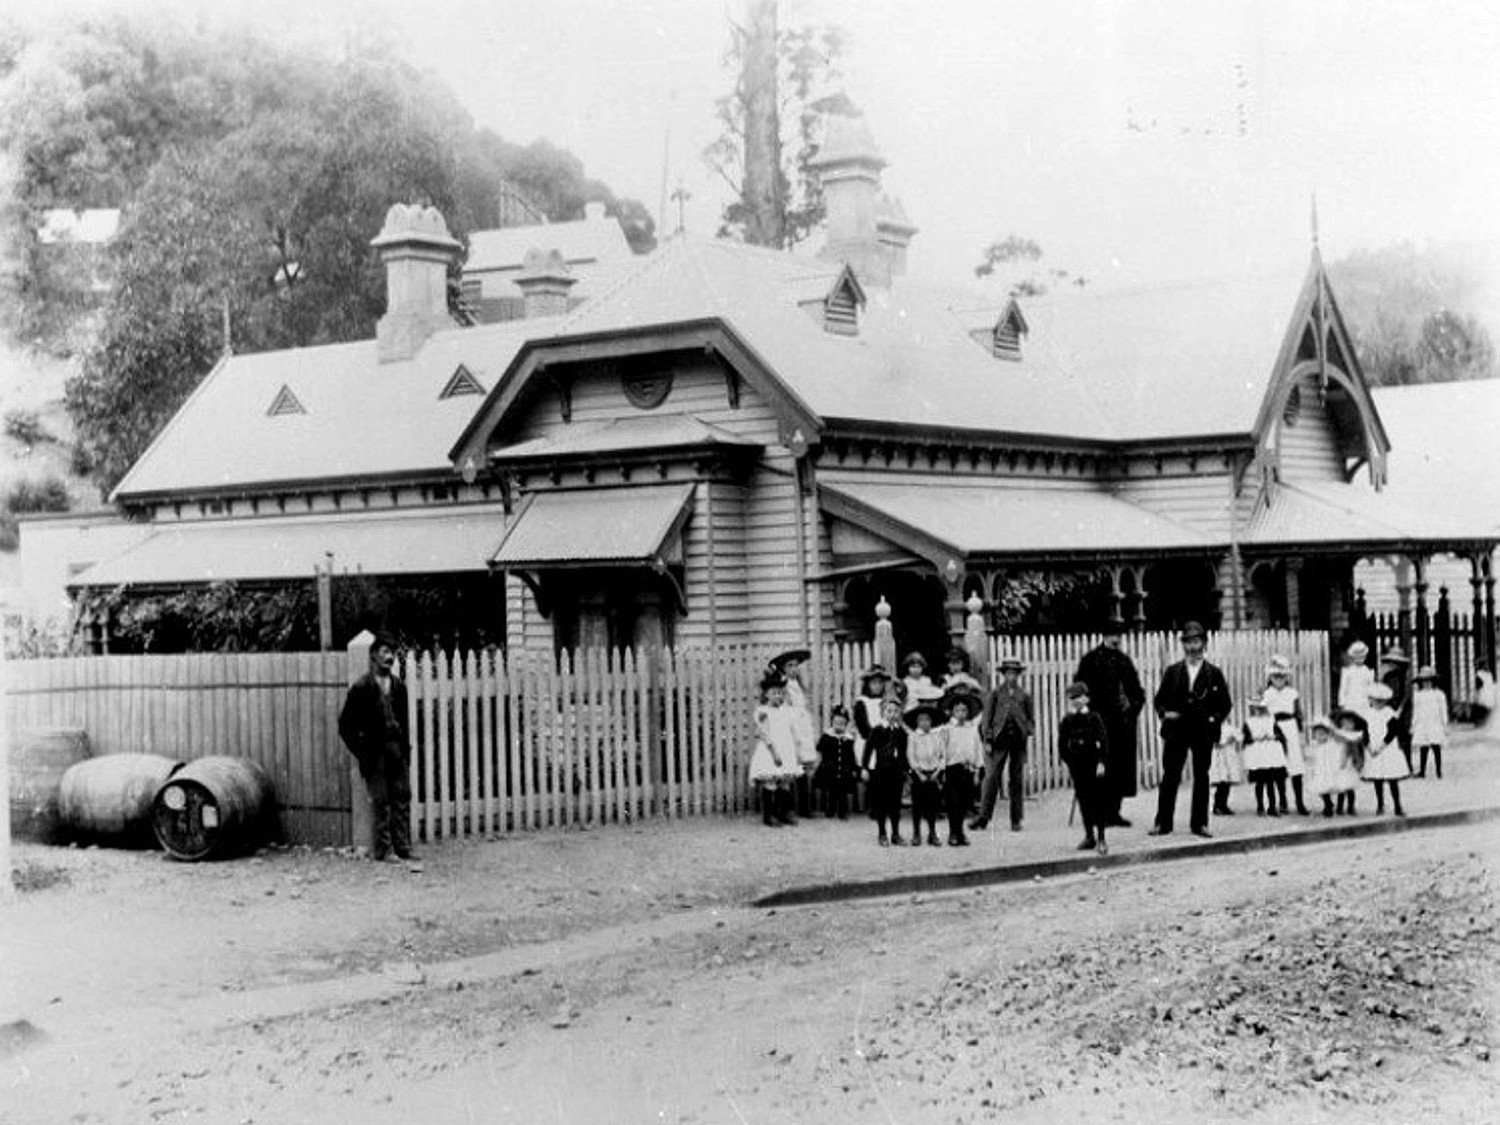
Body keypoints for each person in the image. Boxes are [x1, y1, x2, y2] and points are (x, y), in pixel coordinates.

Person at [338, 631, 417, 863]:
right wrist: (363, 751)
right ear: (373, 656)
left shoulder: (399, 687)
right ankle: (384, 850)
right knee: (381, 800)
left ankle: (402, 847)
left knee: (402, 796)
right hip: (375, 753)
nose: (389, 657)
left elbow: (404, 721)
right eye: (384, 652)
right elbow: (345, 726)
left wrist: (405, 751)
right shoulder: (361, 688)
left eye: (392, 653)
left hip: (397, 750)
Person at [1150, 621, 1232, 838]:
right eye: (1188, 642)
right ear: (1183, 645)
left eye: (1196, 641)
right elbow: (1159, 700)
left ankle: (1200, 824)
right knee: (1170, 776)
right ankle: (1163, 823)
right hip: (1176, 732)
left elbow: (1225, 704)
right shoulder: (1173, 672)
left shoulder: (1214, 673)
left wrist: (1213, 720)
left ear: (1204, 644)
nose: (1192, 647)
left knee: (1202, 776)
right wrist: (1165, 713)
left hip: (1202, 732)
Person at [1073, 617, 1146, 827]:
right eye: (1111, 635)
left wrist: (1131, 705)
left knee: (1120, 769)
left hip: (1122, 725)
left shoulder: (1125, 661)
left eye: (1118, 636)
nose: (1115, 639)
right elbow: (1079, 691)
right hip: (1098, 724)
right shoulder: (1090, 661)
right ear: (1103, 636)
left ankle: (1114, 812)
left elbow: (1138, 692)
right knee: (1099, 767)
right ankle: (1097, 813)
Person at [974, 653, 1033, 832]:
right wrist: (988, 739)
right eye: (1008, 673)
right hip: (999, 741)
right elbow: (987, 719)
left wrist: (1027, 729)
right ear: (1003, 674)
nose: (1012, 676)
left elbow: (1031, 719)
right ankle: (983, 817)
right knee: (991, 778)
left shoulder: (1024, 695)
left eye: (1015, 673)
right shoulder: (996, 694)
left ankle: (1016, 820)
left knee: (1016, 780)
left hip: (1017, 742)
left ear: (1018, 675)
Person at [1057, 681, 1110, 855]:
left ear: (1086, 698)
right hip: (1077, 767)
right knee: (1084, 802)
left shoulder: (1094, 717)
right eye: (1073, 698)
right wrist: (1070, 763)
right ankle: (1089, 836)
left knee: (1098, 802)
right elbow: (1062, 746)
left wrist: (1101, 762)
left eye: (1079, 697)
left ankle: (1102, 838)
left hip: (1094, 765)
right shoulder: (1067, 720)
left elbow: (1103, 741)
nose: (1076, 701)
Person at [747, 671, 805, 827]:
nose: (777, 696)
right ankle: (769, 815)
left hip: (787, 748)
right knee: (771, 781)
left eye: (780, 693)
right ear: (766, 694)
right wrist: (774, 753)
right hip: (770, 750)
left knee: (785, 781)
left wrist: (798, 750)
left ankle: (785, 812)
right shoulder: (762, 712)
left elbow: (794, 731)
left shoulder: (788, 711)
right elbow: (764, 734)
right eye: (774, 693)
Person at [768, 648, 819, 814]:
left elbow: (803, 708)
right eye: (789, 666)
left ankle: (805, 806)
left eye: (796, 665)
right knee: (790, 766)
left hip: (802, 726)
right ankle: (786, 808)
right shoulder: (783, 685)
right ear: (783, 668)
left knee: (804, 766)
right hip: (790, 726)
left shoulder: (799, 685)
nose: (793, 669)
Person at [1262, 655, 1309, 815]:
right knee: (1278, 768)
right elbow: (1261, 714)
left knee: (1296, 767)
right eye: (1275, 676)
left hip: (1291, 728)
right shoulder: (1266, 694)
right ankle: (1282, 801)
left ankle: (1300, 802)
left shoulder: (1292, 693)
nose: (1279, 679)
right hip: (1274, 728)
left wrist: (1301, 735)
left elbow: (1299, 714)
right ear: (1270, 677)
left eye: (1282, 676)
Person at [862, 696, 909, 846]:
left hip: (896, 772)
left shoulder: (901, 732)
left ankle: (895, 833)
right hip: (881, 771)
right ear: (883, 712)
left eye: (895, 711)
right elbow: (868, 750)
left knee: (895, 804)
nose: (892, 714)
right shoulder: (877, 730)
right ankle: (882, 833)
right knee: (881, 803)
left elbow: (904, 753)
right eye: (889, 711)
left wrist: (906, 771)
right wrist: (865, 768)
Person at [941, 691, 984, 847]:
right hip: (952, 769)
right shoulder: (946, 729)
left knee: (964, 803)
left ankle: (960, 833)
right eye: (957, 710)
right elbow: (942, 750)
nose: (961, 713)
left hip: (968, 769)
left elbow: (977, 749)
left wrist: (978, 770)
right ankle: (953, 832)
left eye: (964, 710)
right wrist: (942, 770)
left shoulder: (972, 729)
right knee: (953, 802)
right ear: (952, 711)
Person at [1362, 682, 1408, 816]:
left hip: (1387, 749)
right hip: (1373, 748)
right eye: (1372, 700)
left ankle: (1397, 805)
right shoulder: (1367, 714)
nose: (1375, 703)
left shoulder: (1389, 714)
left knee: (1392, 778)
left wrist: (1381, 746)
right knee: (1377, 778)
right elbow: (1364, 732)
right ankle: (1380, 804)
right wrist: (1369, 747)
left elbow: (1392, 733)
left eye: (1379, 701)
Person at [905, 702, 946, 846]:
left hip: (933, 773)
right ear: (917, 722)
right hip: (919, 774)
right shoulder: (913, 737)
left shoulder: (936, 736)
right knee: (917, 805)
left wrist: (938, 771)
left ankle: (932, 833)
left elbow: (942, 755)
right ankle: (916, 833)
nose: (924, 723)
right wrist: (918, 773)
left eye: (927, 719)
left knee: (932, 805)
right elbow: (911, 756)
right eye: (921, 720)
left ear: (931, 721)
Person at [1240, 696, 1287, 817]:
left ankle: (1272, 806)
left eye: (1261, 709)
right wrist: (1254, 738)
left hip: (1270, 752)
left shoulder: (1271, 720)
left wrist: (1273, 736)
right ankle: (1260, 806)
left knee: (1271, 781)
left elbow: (1280, 735)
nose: (1258, 711)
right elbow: (1245, 739)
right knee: (1260, 782)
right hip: (1257, 753)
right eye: (1256, 709)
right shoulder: (1249, 722)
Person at [814, 704, 859, 818]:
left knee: (842, 792)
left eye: (842, 724)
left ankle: (842, 812)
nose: (839, 726)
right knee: (831, 791)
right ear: (832, 723)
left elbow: (851, 755)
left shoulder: (848, 739)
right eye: (836, 723)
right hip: (830, 768)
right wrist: (818, 764)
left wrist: (853, 768)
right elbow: (820, 750)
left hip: (844, 769)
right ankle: (830, 810)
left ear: (846, 724)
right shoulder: (827, 736)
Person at [1379, 647, 1415, 773]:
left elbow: (1407, 694)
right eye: (1391, 662)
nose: (1392, 664)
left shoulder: (1405, 676)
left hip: (1403, 710)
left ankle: (1408, 765)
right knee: (1389, 736)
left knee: (1404, 737)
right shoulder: (1387, 677)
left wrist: (1400, 709)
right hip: (1390, 708)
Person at [1410, 665, 1448, 779]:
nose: (1426, 683)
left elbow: (1443, 709)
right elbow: (1416, 711)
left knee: (1436, 746)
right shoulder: (1418, 695)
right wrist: (1414, 724)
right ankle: (1422, 771)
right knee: (1424, 747)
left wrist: (1444, 723)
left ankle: (1438, 770)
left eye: (1429, 681)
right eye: (1424, 681)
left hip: (1434, 722)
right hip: (1423, 722)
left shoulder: (1438, 694)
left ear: (1433, 681)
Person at [1305, 715, 1344, 817]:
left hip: (1330, 770)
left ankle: (1330, 807)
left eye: (1322, 734)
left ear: (1328, 734)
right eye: (1316, 734)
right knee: (1320, 789)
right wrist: (1312, 769)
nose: (1319, 737)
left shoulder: (1331, 745)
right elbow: (1312, 758)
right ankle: (1328, 803)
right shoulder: (1314, 745)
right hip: (1320, 771)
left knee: (1329, 788)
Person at [1332, 709, 1368, 816]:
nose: (1347, 725)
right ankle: (1339, 807)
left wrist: (1359, 762)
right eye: (1345, 723)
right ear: (1341, 724)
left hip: (1351, 764)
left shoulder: (1356, 736)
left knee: (1350, 787)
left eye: (1350, 723)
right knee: (1341, 787)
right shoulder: (1339, 734)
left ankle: (1351, 807)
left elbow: (1359, 750)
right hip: (1340, 762)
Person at [1209, 723, 1245, 816]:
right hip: (1217, 754)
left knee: (1227, 781)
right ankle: (1217, 806)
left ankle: (1224, 805)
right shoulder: (1211, 727)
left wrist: (1230, 740)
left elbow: (1239, 736)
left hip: (1228, 754)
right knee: (1221, 781)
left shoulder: (1229, 727)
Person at [1337, 639, 1374, 716]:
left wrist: (1371, 702)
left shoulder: (1368, 672)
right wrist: (1342, 703)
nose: (1359, 658)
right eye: (1357, 655)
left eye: (1362, 655)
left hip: (1364, 703)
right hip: (1350, 702)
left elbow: (1371, 688)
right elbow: (1343, 688)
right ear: (1353, 656)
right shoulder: (1347, 671)